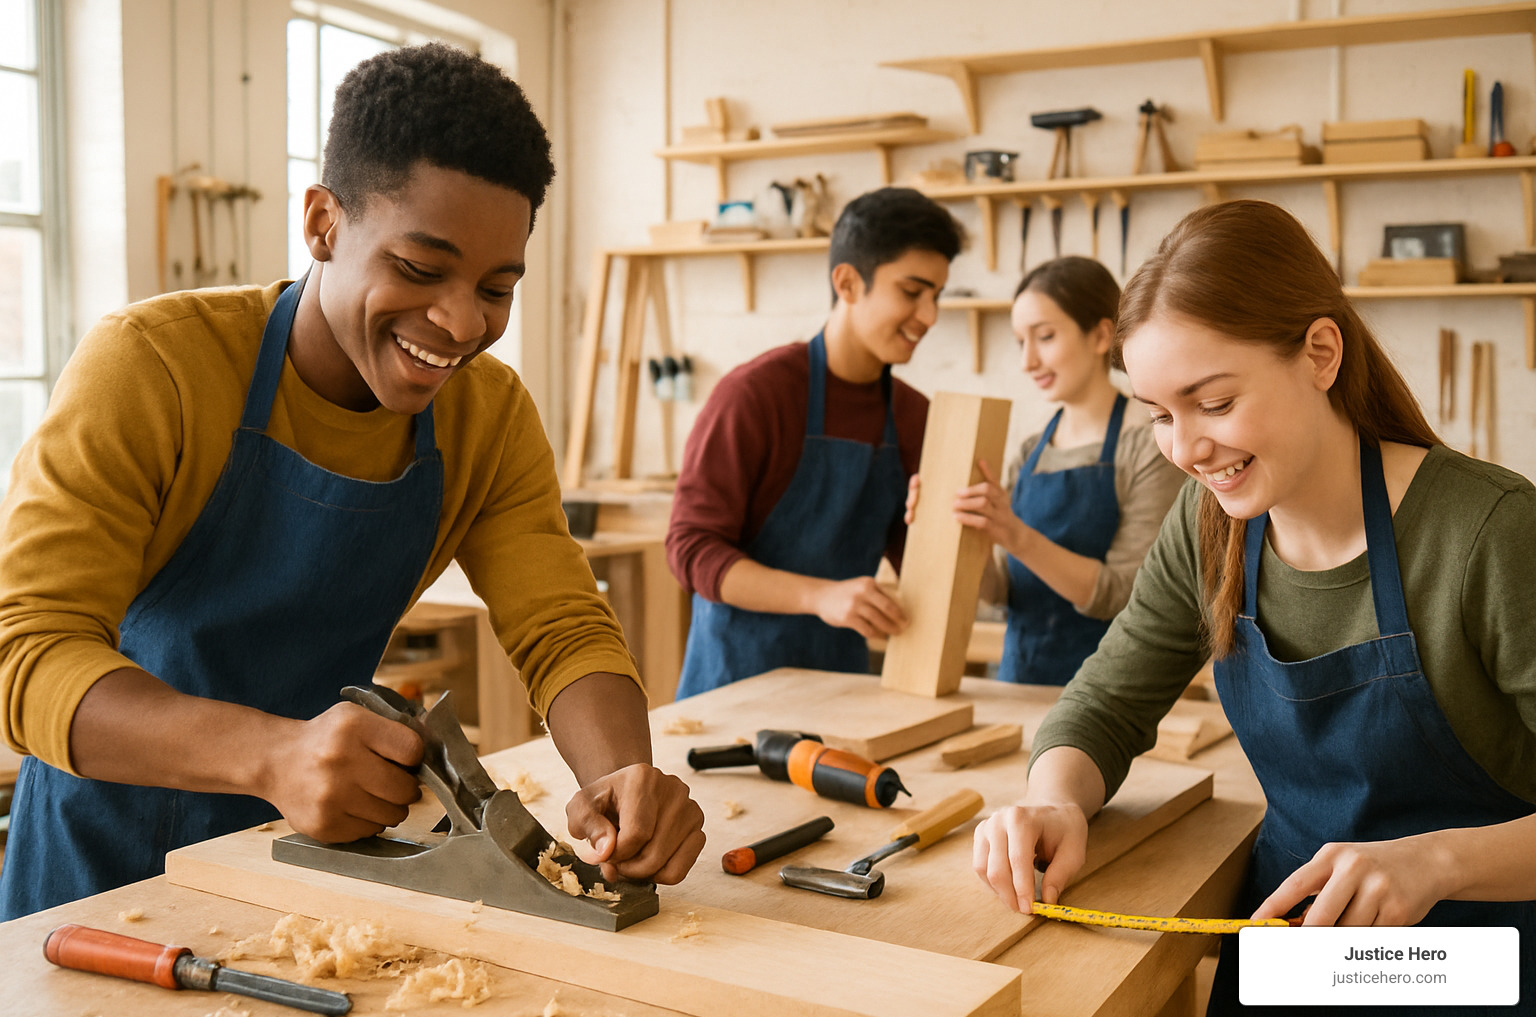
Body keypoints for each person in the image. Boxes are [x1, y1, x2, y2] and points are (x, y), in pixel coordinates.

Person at [0, 43, 705, 922]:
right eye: (418, 269)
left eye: (496, 287)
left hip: (327, 874)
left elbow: (561, 626)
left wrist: (619, 778)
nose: (458, 322)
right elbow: (26, 655)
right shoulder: (152, 368)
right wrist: (270, 757)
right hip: (104, 875)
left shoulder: (487, 415)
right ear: (324, 223)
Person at [971, 200, 1536, 1017]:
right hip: (1294, 951)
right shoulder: (1208, 530)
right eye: (1162, 415)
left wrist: (1439, 863)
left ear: (1320, 352)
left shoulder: (1490, 532)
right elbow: (1105, 703)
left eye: (1215, 403)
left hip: (1480, 962)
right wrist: (1058, 798)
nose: (1186, 450)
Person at [666, 187, 964, 699]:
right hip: (732, 691)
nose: (930, 316)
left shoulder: (916, 417)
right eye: (912, 292)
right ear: (848, 283)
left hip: (842, 691)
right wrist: (819, 597)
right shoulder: (755, 395)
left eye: (936, 295)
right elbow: (690, 550)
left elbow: (925, 573)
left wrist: (961, 523)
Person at [905, 256, 1184, 687]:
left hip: (1112, 691)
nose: (1028, 361)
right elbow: (1001, 592)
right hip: (1019, 679)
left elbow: (1126, 593)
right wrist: (955, 526)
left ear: (1100, 335)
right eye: (1020, 342)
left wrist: (1015, 534)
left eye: (1045, 337)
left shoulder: (1150, 443)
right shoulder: (1030, 451)